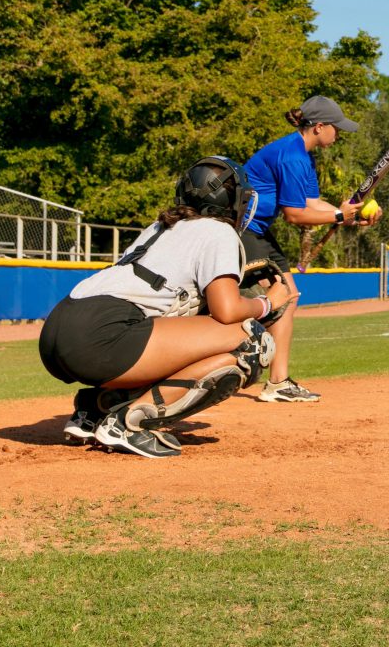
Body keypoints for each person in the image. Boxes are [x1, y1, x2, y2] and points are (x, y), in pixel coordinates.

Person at [38, 157, 294, 457]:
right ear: (232, 200)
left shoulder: (160, 227)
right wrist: (266, 303)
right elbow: (226, 311)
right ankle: (129, 423)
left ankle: (97, 407)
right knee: (251, 342)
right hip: (102, 334)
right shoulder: (218, 230)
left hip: (61, 325)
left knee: (191, 338)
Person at [242, 95, 382, 402]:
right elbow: (295, 216)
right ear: (318, 127)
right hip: (242, 230)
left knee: (288, 298)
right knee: (282, 299)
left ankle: (277, 382)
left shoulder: (302, 155)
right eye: (336, 127)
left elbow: (312, 205)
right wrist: (339, 214)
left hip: (258, 231)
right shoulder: (292, 157)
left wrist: (350, 217)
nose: (339, 133)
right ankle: (254, 360)